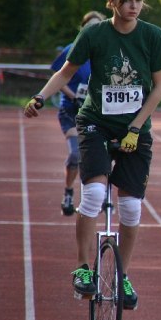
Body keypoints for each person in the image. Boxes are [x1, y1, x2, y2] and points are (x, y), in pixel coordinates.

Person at [24, 0, 161, 310]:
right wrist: (40, 97)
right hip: (95, 123)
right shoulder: (94, 34)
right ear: (112, 1)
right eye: (127, 0)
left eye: (138, 0)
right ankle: (82, 267)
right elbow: (66, 71)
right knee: (93, 194)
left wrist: (135, 128)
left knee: (131, 207)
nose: (134, 6)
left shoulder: (153, 36)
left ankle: (123, 275)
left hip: (135, 128)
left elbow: (160, 87)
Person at [52, 11, 106, 216]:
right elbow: (58, 77)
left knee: (102, 155)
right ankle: (68, 192)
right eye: (89, 26)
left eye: (98, 26)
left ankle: (100, 194)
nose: (93, 30)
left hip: (97, 112)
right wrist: (74, 97)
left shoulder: (106, 51)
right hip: (71, 110)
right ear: (82, 28)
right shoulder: (72, 49)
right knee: (76, 154)